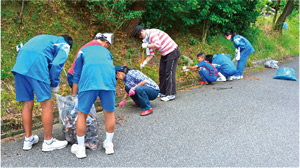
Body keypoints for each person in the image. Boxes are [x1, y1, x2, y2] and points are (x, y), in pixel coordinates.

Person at [11, 34, 73, 151]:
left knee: (27, 103)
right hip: (37, 65)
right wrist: (54, 83)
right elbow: (56, 64)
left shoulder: (45, 39)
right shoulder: (64, 44)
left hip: (20, 65)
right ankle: (48, 142)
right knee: (46, 104)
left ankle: (28, 139)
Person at [70, 33, 116, 159]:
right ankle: (109, 144)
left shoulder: (83, 50)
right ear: (105, 42)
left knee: (82, 114)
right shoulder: (107, 53)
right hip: (108, 83)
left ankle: (80, 149)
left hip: (89, 83)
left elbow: (76, 74)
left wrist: (74, 95)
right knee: (109, 113)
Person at [134, 25, 181, 102]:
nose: (140, 37)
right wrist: (144, 62)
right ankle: (162, 92)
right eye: (139, 36)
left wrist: (147, 45)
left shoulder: (152, 33)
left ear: (142, 31)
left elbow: (158, 45)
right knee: (162, 72)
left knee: (169, 73)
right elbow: (151, 54)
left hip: (172, 51)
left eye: (140, 35)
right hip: (165, 53)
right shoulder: (147, 40)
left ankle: (170, 94)